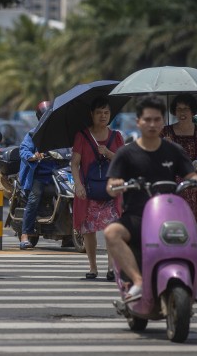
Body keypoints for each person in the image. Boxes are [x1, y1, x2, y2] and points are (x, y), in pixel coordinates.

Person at [104, 96, 197, 306]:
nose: (152, 124)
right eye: (147, 119)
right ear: (138, 121)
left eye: (157, 119)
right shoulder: (126, 153)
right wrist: (115, 184)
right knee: (112, 233)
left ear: (163, 121)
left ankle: (193, 283)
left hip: (169, 215)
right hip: (137, 217)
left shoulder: (173, 151)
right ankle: (137, 281)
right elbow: (111, 183)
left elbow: (190, 175)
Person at [71, 97, 124, 279]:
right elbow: (74, 163)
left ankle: (111, 268)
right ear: (91, 115)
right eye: (99, 112)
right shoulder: (82, 136)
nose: (103, 116)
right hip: (89, 191)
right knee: (89, 230)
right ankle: (93, 267)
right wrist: (78, 185)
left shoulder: (116, 136)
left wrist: (108, 153)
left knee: (112, 229)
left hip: (112, 191)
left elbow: (123, 161)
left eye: (106, 112)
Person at [161, 94, 197, 223]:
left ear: (193, 111)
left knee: (192, 223)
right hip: (172, 183)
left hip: (194, 183)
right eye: (179, 109)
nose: (182, 112)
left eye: (186, 109)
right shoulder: (165, 132)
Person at [18, 101, 59, 250]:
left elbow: (70, 150)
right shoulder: (32, 134)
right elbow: (23, 150)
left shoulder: (60, 134)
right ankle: (25, 234)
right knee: (34, 200)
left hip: (58, 175)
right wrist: (33, 156)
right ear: (40, 117)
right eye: (45, 116)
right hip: (39, 176)